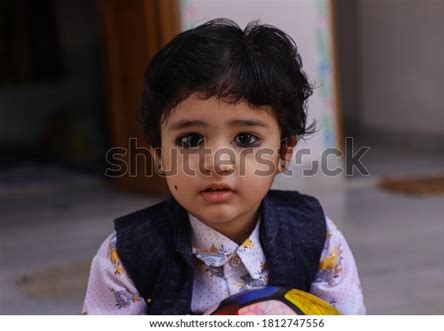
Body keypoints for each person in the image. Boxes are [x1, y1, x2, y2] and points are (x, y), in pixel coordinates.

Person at [82, 18, 366, 315]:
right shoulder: (125, 256)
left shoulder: (318, 238)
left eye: (246, 138)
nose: (217, 162)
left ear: (283, 152)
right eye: (190, 139)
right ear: (158, 155)